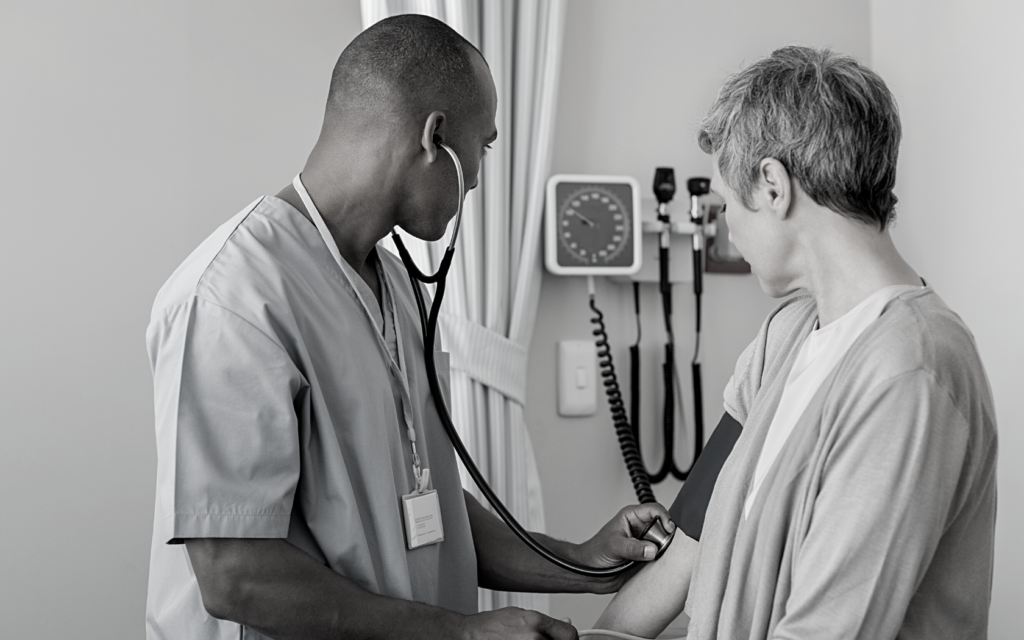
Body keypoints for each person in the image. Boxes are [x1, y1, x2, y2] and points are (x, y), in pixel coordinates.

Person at [145, 14, 672, 640]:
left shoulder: (394, 284)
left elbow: (427, 507)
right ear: (435, 137)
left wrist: (581, 562)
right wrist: (460, 632)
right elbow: (236, 575)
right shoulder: (234, 297)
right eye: (484, 147)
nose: (476, 176)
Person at [593, 46, 998, 639]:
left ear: (773, 186)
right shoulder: (785, 336)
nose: (728, 228)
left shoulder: (911, 371)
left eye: (727, 204)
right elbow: (692, 545)